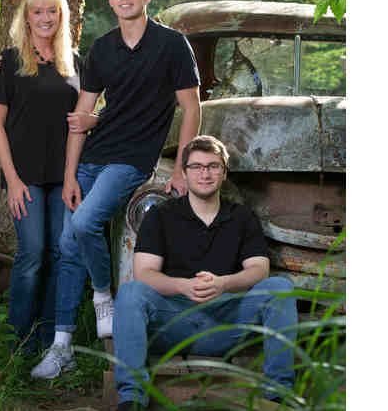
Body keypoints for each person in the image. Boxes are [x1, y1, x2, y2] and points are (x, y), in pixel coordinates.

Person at [31, 0, 202, 379]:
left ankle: (102, 295)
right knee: (69, 245)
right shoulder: (103, 48)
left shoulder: (172, 45)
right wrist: (69, 176)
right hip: (93, 155)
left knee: (83, 223)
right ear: (109, 0)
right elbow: (80, 117)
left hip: (132, 159)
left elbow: (192, 108)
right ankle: (62, 345)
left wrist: (181, 168)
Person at [113, 135, 298, 410]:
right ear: (185, 173)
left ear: (224, 173)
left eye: (213, 166)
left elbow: (259, 270)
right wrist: (182, 286)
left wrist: (224, 283)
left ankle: (278, 396)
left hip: (226, 322)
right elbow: (144, 273)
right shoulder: (160, 216)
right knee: (130, 292)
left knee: (280, 288)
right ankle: (131, 399)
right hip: (173, 322)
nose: (205, 173)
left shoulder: (242, 217)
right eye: (197, 166)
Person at [0, 0, 96, 355]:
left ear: (61, 15)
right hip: (25, 177)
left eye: (52, 10)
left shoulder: (74, 62)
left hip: (64, 175)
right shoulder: (9, 60)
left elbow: (85, 117)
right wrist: (13, 180)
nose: (45, 18)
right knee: (32, 253)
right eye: (38, 11)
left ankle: (51, 339)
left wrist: (71, 176)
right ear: (27, 17)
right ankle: (19, 341)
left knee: (59, 254)